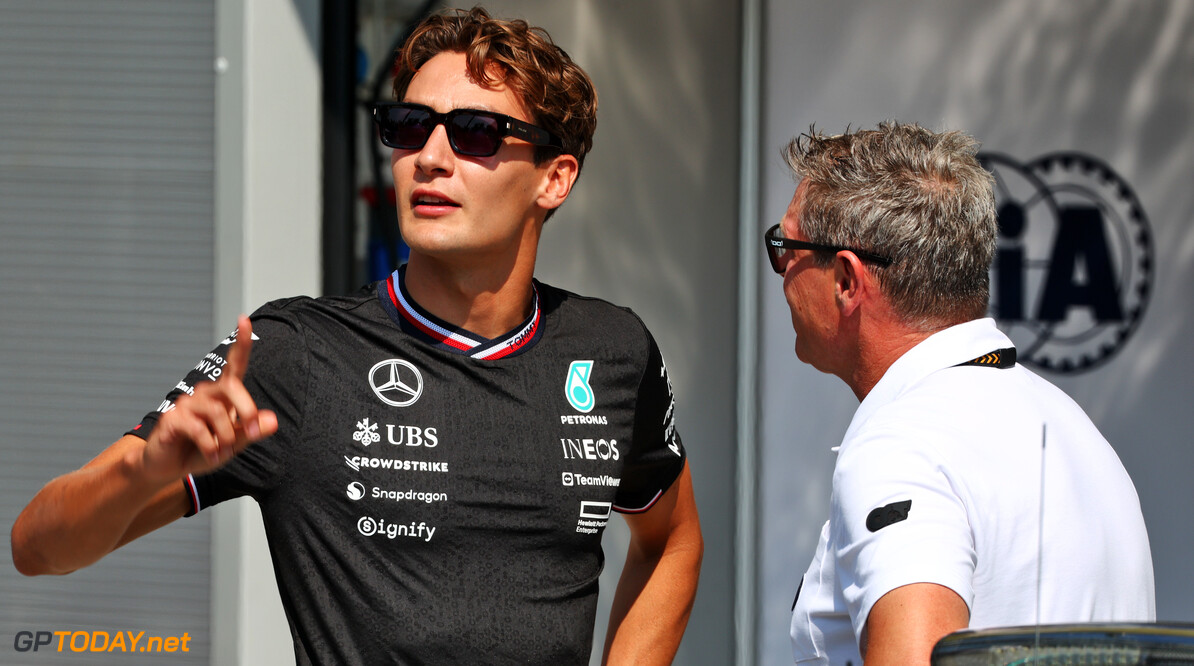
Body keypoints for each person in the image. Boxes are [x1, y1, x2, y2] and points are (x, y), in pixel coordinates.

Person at [11, 7, 703, 664]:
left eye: (474, 133)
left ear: (554, 179)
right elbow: (39, 547)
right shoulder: (296, 354)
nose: (429, 157)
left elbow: (671, 539)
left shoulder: (612, 350)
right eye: (408, 126)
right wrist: (145, 468)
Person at [768, 122, 1154, 665]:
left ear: (847, 281)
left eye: (786, 246)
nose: (782, 269)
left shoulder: (903, 449)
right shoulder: (1076, 431)